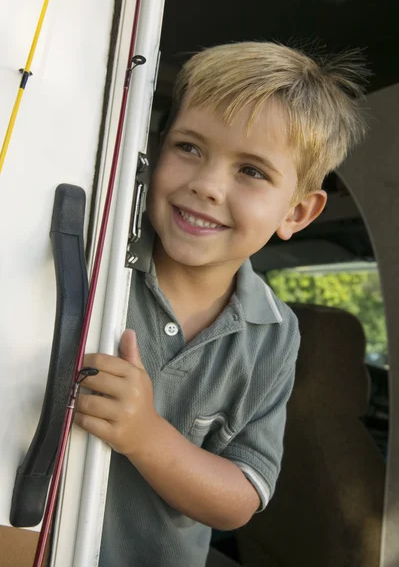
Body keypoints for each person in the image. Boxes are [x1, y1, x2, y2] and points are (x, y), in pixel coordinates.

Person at [74, 41, 368, 566]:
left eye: (252, 171)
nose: (206, 185)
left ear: (297, 212)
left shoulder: (274, 334)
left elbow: (240, 496)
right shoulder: (93, 258)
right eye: (189, 147)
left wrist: (145, 435)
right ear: (157, 150)